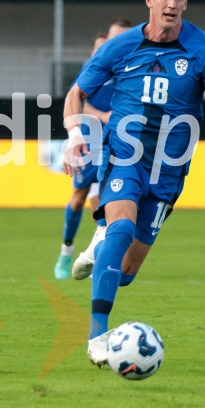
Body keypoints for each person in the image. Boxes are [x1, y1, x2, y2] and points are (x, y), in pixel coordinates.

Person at [63, 0, 205, 368]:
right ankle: (97, 337)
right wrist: (75, 138)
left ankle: (98, 245)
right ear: (149, 0)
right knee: (121, 229)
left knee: (124, 271)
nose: (171, 4)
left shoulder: (204, 51)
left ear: (186, 1)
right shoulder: (120, 46)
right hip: (125, 156)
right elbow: (76, 94)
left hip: (169, 171)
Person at [54, 18, 133, 279]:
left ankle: (99, 254)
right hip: (89, 139)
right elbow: (76, 99)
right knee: (79, 198)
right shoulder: (97, 65)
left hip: (117, 141)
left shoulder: (134, 66)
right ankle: (66, 252)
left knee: (105, 198)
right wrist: (101, 115)